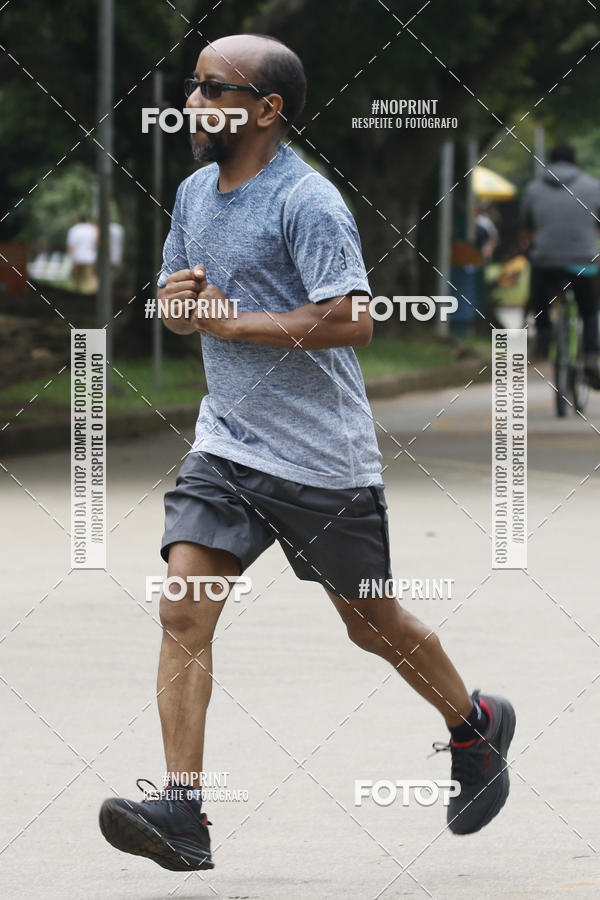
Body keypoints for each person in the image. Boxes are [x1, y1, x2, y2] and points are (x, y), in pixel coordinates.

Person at [98, 34, 516, 872]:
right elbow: (185, 306)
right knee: (184, 607)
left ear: (265, 109)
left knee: (372, 624)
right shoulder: (191, 191)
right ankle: (183, 815)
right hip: (227, 444)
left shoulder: (308, 201)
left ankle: (475, 725)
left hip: (321, 460)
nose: (194, 103)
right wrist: (179, 307)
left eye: (213, 89)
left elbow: (353, 318)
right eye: (190, 87)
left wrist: (229, 321)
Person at [522, 142, 600, 384]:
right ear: (576, 162)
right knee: (589, 310)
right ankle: (589, 357)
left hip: (546, 261)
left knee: (539, 287)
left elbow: (526, 226)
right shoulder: (593, 186)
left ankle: (543, 332)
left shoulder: (534, 188)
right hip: (583, 262)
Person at [66, 214, 98, 292]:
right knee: (90, 277)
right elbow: (96, 243)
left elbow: (71, 245)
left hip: (77, 256)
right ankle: (93, 294)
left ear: (78, 220)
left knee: (77, 278)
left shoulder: (74, 229)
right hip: (90, 256)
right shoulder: (92, 229)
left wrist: (71, 257)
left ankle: (77, 294)